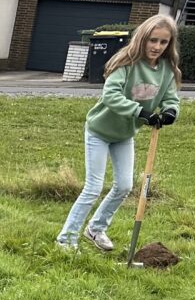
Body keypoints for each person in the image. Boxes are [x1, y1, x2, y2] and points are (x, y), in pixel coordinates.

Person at [55, 15, 181, 252]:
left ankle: (96, 228)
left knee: (124, 185)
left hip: (124, 135)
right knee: (93, 187)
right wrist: (141, 112)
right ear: (142, 38)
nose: (157, 47)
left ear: (169, 44)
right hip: (99, 131)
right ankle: (66, 239)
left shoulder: (166, 70)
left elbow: (170, 97)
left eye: (163, 42)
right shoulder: (126, 64)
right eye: (152, 40)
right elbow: (111, 96)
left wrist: (171, 111)